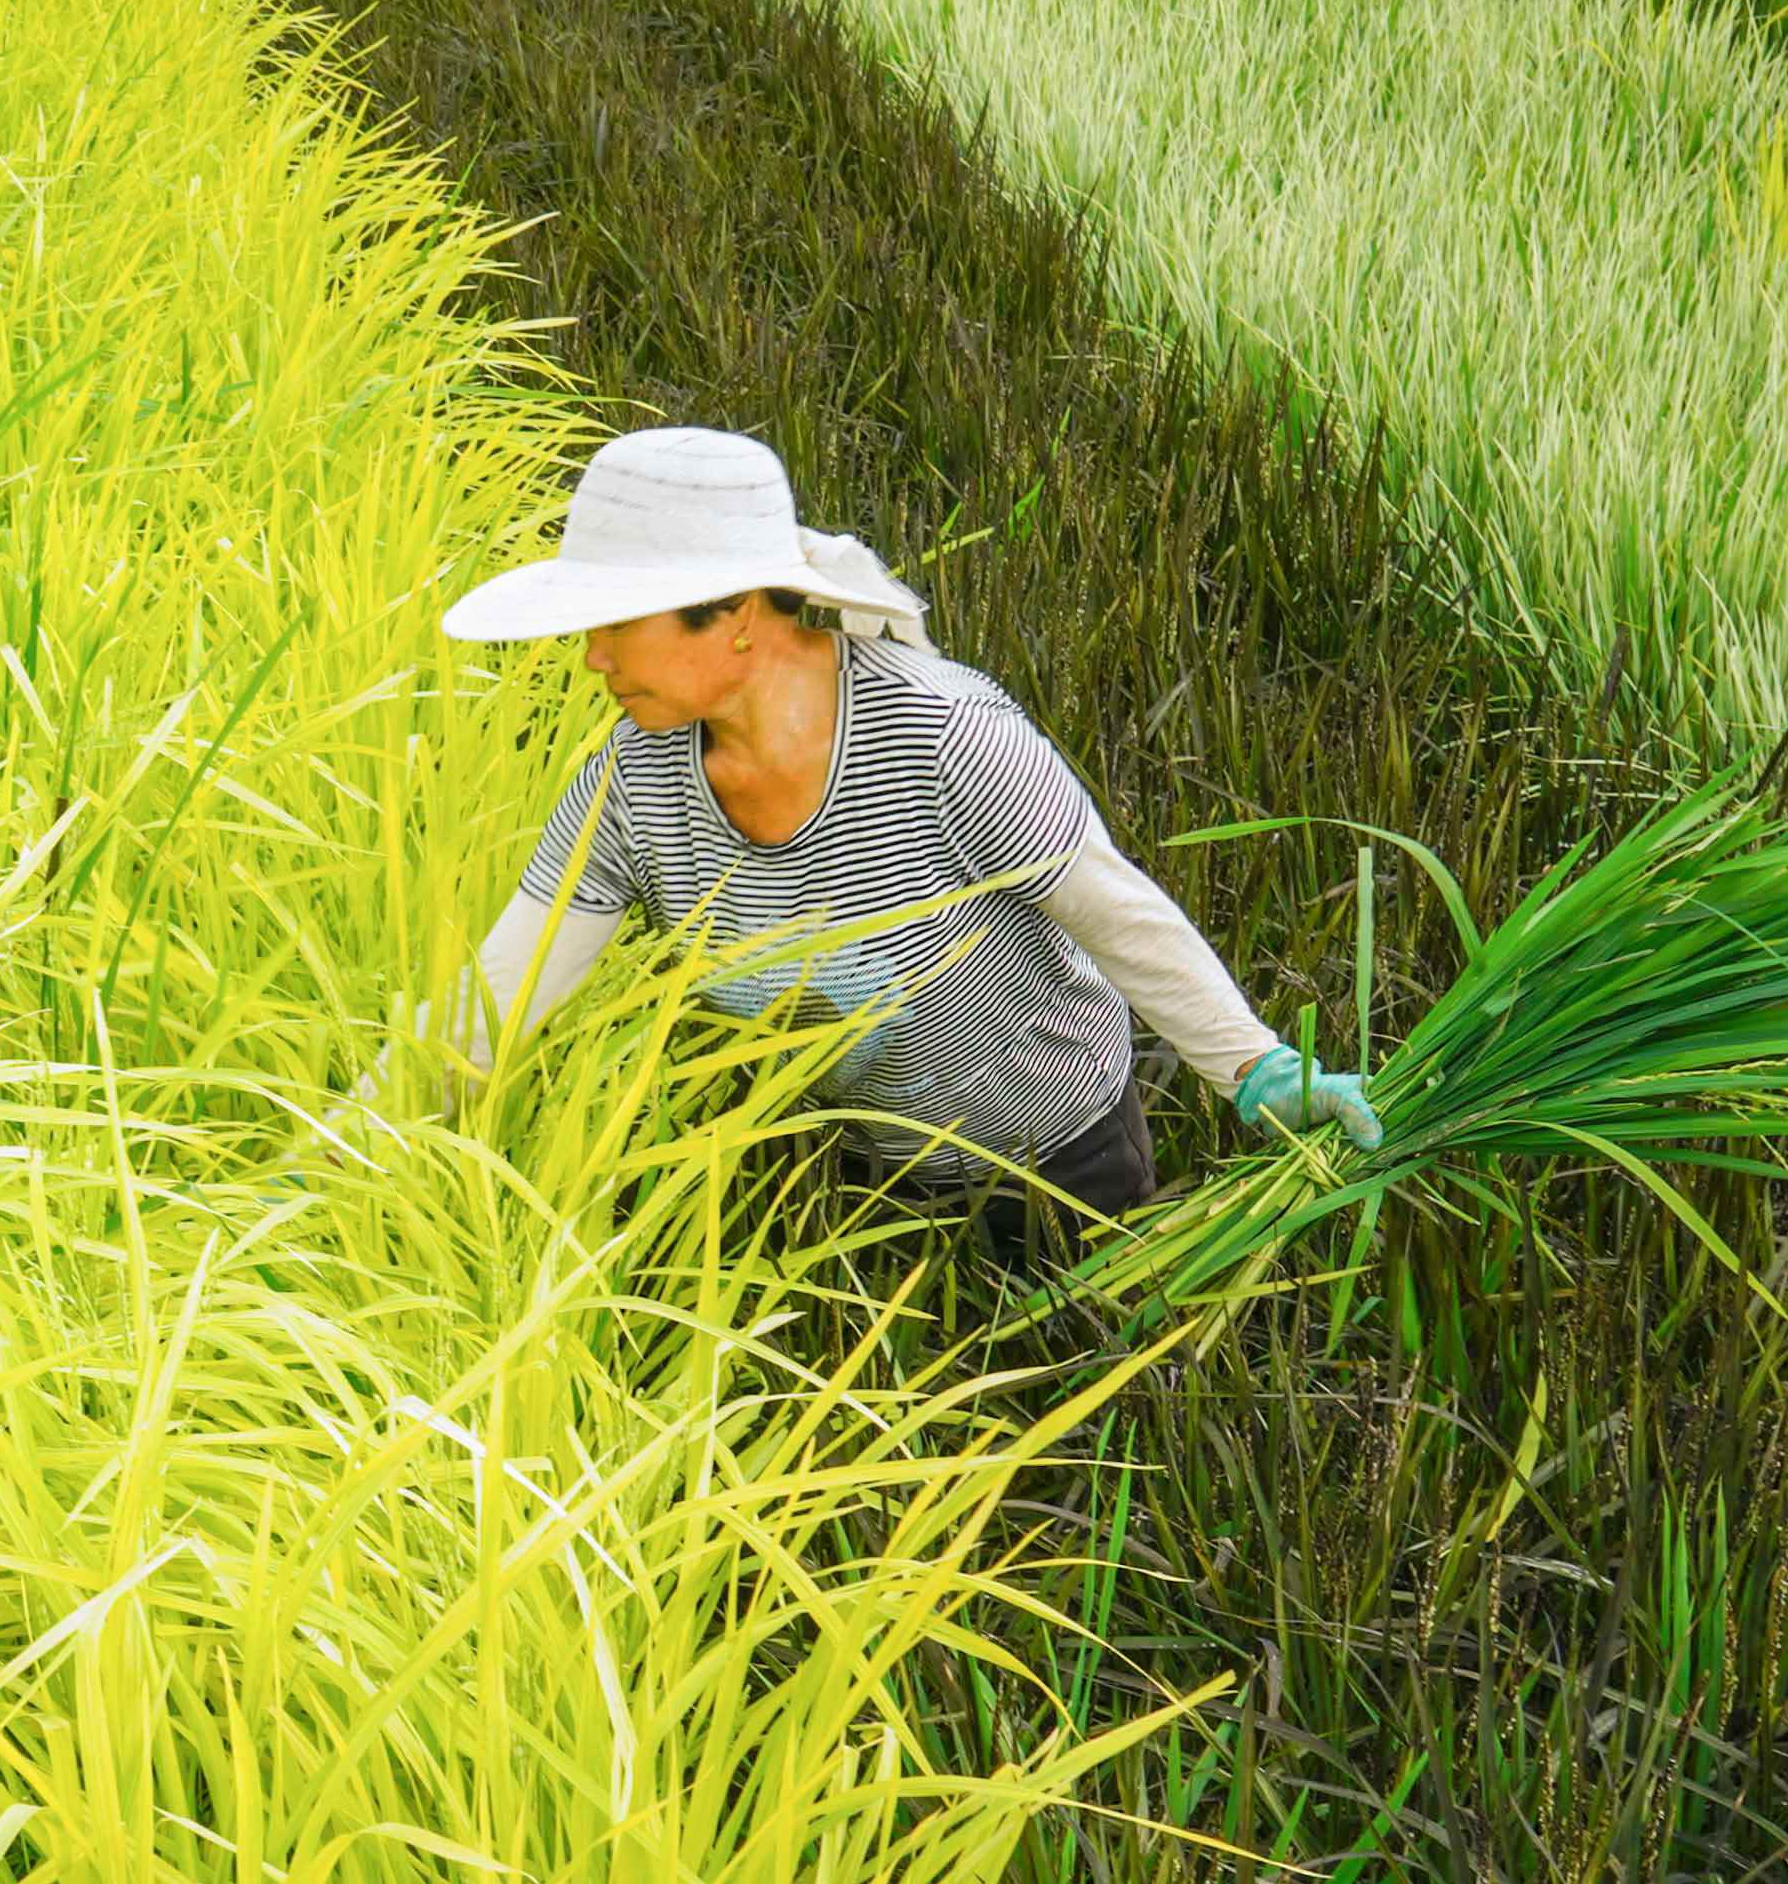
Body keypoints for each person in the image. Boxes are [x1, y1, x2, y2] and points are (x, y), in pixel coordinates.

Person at [439, 426, 1374, 1266]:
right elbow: (498, 994)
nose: (593, 657)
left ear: (732, 618)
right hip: (863, 1176)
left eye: (614, 624)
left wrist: (1259, 1070)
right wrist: (352, 1145)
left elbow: (1119, 914)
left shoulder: (943, 739)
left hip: (1054, 1164)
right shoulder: (632, 784)